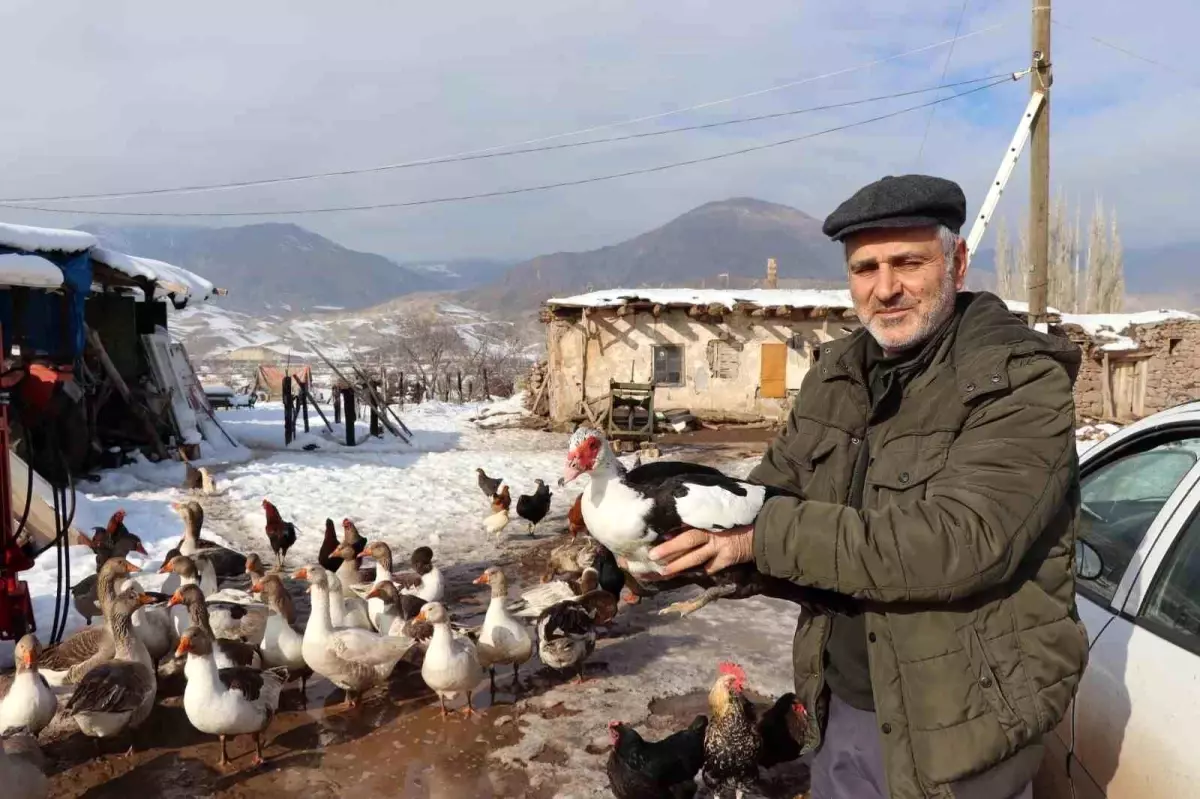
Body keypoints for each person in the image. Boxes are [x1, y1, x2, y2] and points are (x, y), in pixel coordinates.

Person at [648, 174, 1089, 799]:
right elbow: (772, 499)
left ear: (956, 262)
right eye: (865, 268)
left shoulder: (1017, 383)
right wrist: (692, 540)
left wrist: (760, 538)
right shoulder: (838, 375)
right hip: (843, 705)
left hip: (960, 725)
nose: (885, 288)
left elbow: (959, 542)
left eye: (909, 262)